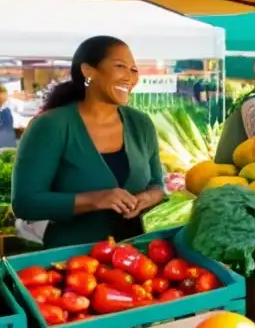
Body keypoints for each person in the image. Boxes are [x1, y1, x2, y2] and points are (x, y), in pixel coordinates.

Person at [12, 36, 164, 248]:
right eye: (120, 66)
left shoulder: (141, 123)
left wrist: (148, 197)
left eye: (134, 69)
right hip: (72, 264)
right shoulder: (50, 126)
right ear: (89, 71)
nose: (130, 77)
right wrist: (96, 199)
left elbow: (158, 184)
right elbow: (25, 203)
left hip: (136, 261)